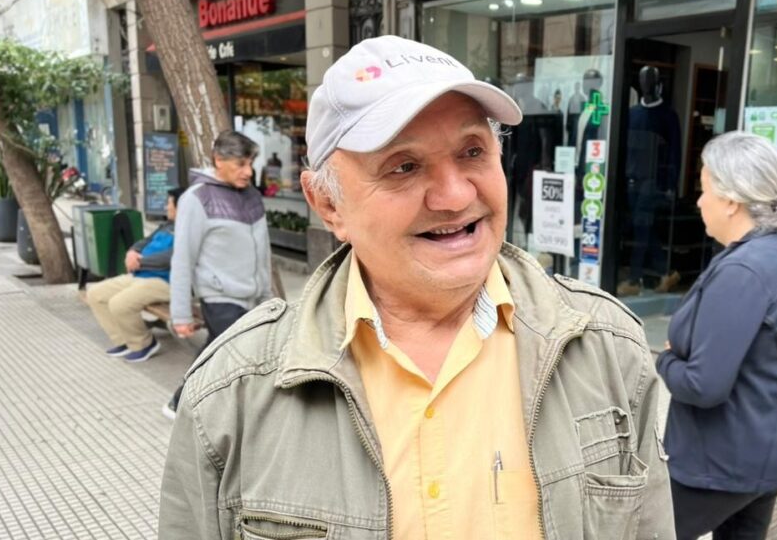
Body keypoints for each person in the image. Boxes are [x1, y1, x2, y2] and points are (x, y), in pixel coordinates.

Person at [158, 35, 674, 539]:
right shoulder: (229, 396)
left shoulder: (610, 350)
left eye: (473, 151)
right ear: (328, 205)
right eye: (403, 166)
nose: (454, 196)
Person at [655, 132, 777, 540]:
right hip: (767, 454)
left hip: (720, 466)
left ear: (730, 200)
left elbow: (703, 385)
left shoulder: (744, 272)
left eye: (704, 189)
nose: (698, 201)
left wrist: (666, 360)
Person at [165, 130, 272, 420]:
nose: (248, 172)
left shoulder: (252, 197)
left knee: (216, 351)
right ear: (218, 160)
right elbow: (183, 258)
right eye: (240, 164)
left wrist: (267, 294)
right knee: (234, 354)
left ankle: (180, 402)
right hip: (220, 295)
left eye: (250, 163)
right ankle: (211, 412)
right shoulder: (196, 199)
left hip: (253, 295)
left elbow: (263, 251)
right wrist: (181, 314)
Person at [86, 187, 184, 363]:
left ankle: (143, 344)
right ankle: (124, 340)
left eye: (169, 203)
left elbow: (175, 256)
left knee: (119, 303)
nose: (166, 207)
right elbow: (144, 242)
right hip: (140, 275)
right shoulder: (167, 225)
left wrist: (140, 261)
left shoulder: (189, 230)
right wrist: (132, 252)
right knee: (96, 294)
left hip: (164, 280)